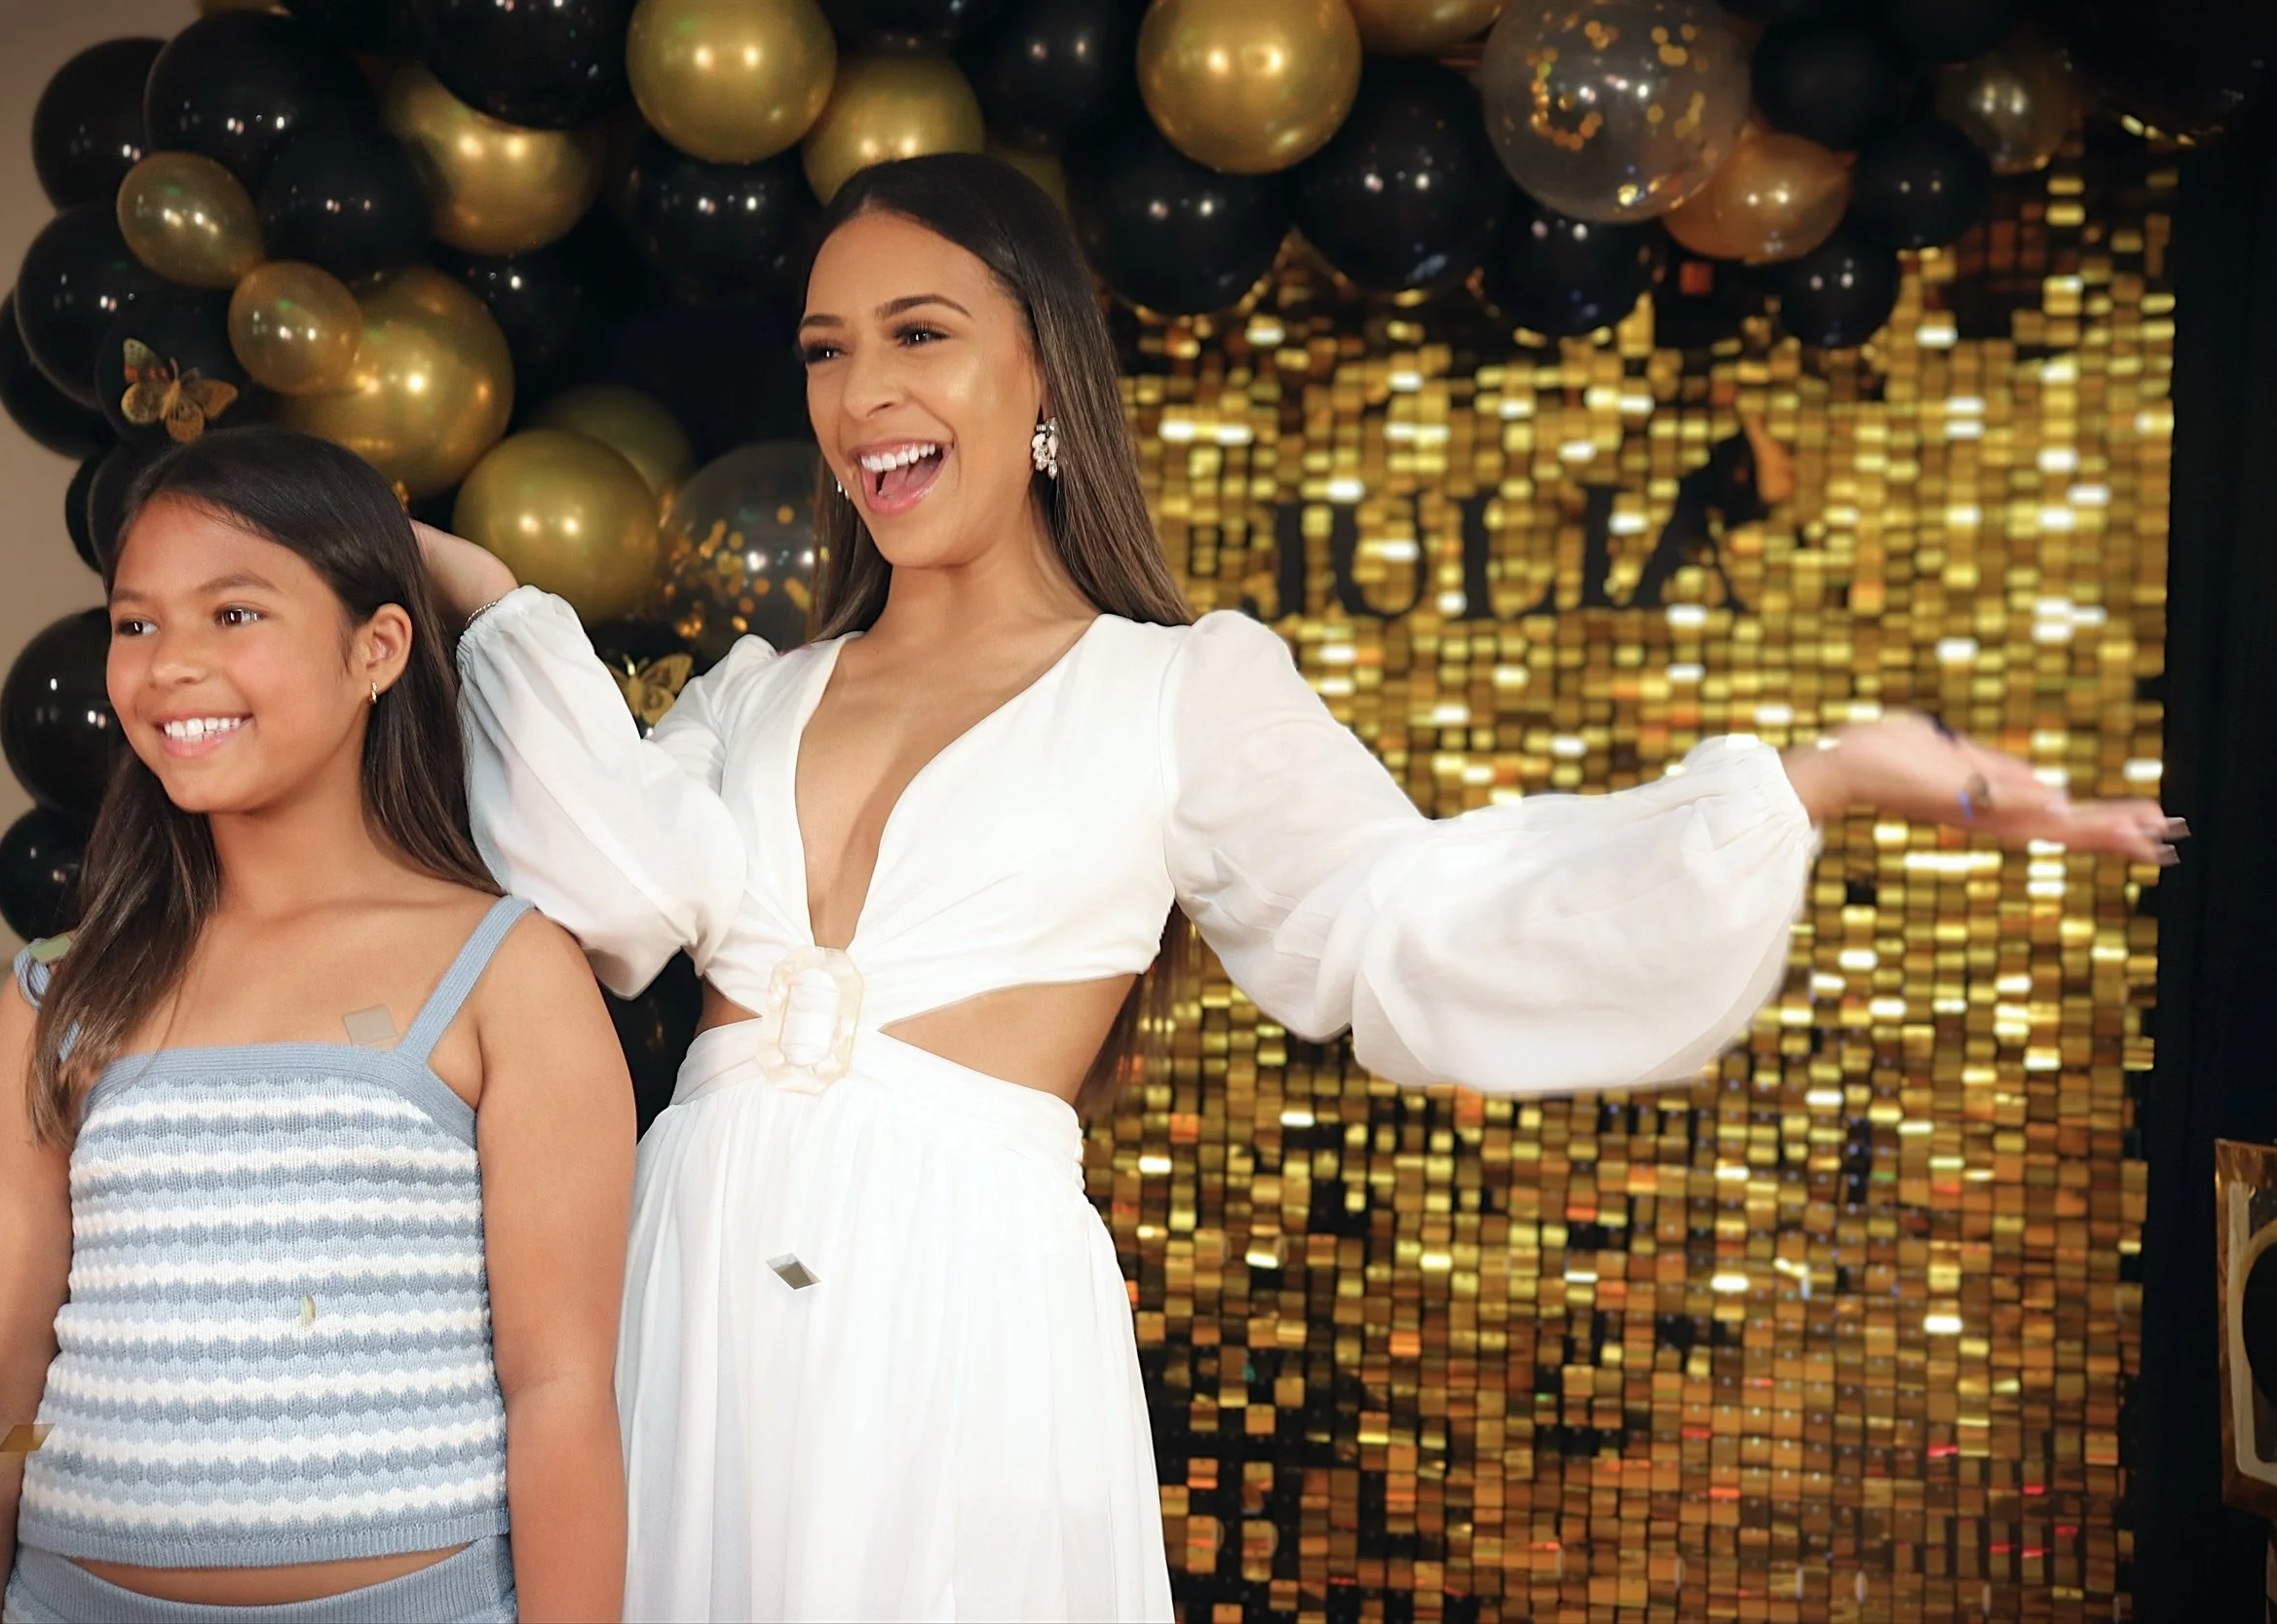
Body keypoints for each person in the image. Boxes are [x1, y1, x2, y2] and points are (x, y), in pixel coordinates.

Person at [419, 153, 2182, 1622]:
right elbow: (605, 897)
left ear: (1042, 372)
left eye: (920, 334)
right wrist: (477, 597)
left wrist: (1809, 783)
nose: (862, 392)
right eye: (824, 350)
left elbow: (1407, 920)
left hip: (955, 1301)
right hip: (689, 1281)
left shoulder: (1182, 688)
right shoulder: (749, 692)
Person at [0, 428, 633, 1624]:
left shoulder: (505, 969)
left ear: (377, 647)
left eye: (235, 614)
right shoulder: (64, 994)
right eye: (137, 623)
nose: (171, 663)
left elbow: (558, 1388)